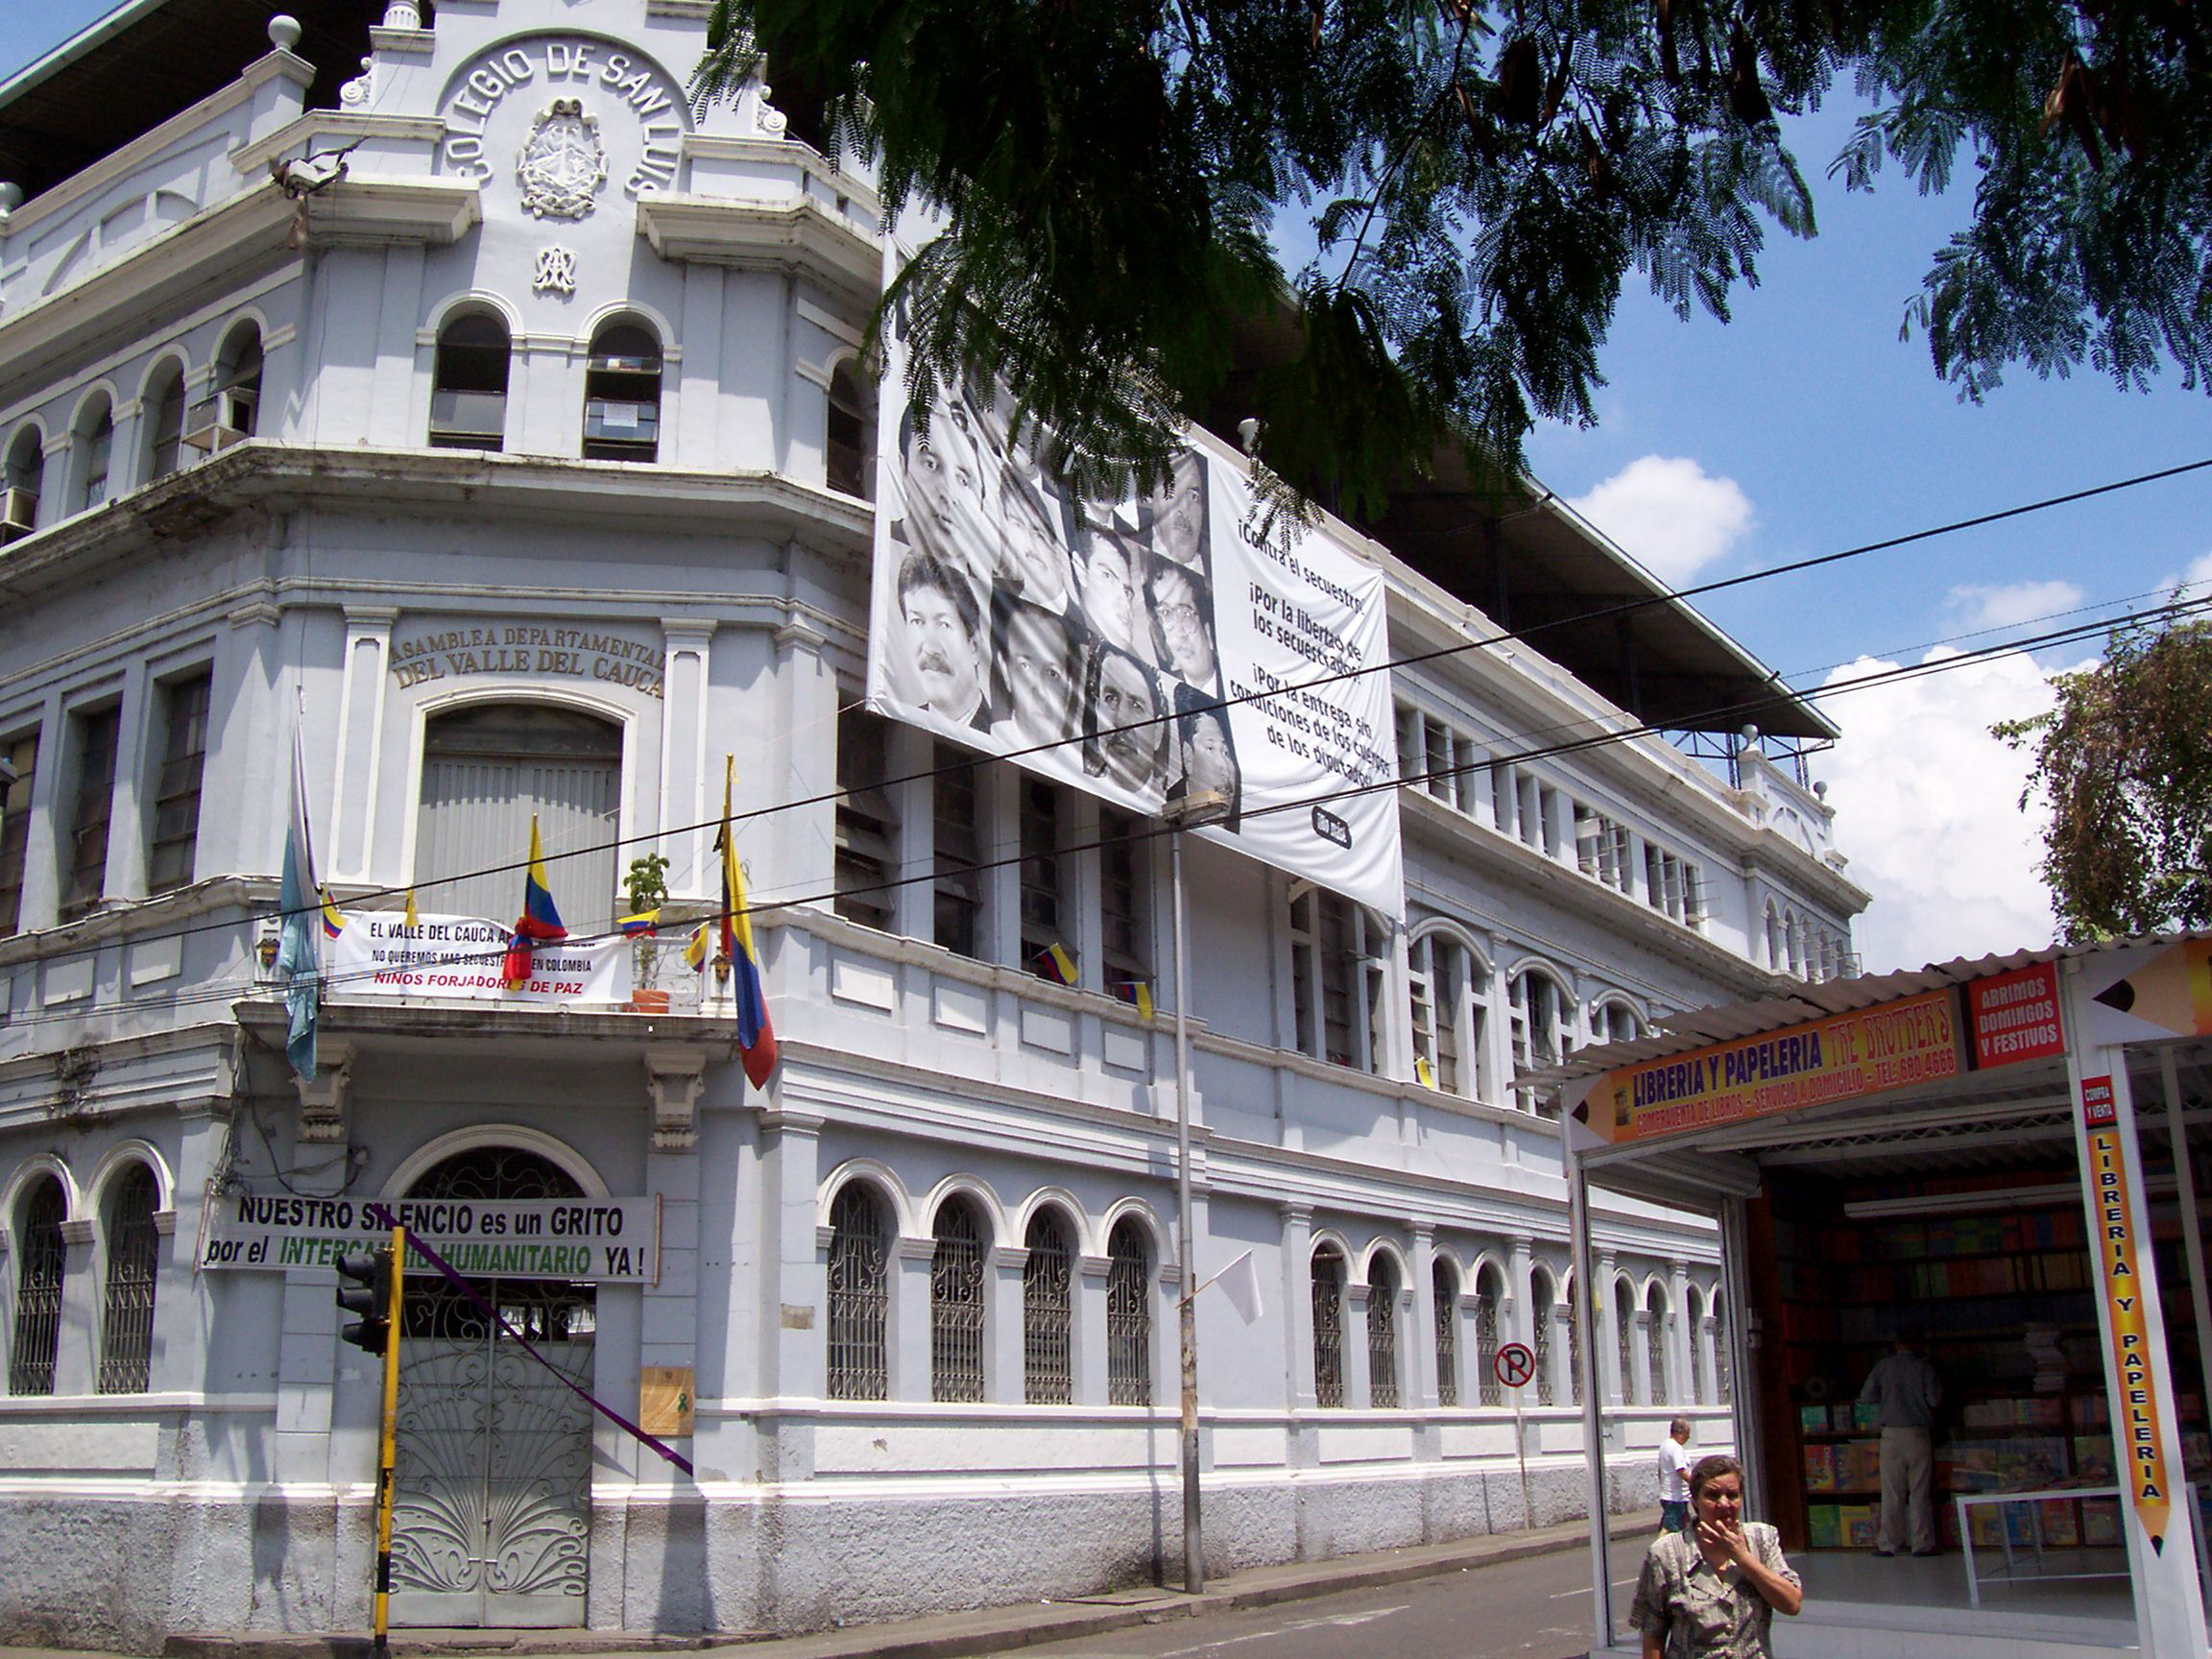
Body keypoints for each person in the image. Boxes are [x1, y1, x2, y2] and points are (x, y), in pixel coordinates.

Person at [1630, 1454, 1802, 1659]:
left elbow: (1791, 1604)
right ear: (1695, 1501)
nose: (1724, 1504)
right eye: (1712, 1496)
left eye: (1732, 1495)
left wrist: (1742, 1557)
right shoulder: (1666, 1553)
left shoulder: (1762, 1539)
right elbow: (1652, 1636)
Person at [1859, 1328, 1942, 1556]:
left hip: (1891, 1435)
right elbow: (1935, 1400)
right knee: (1919, 1491)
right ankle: (1921, 1543)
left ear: (1896, 1344)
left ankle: (1888, 1543)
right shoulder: (1924, 1368)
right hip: (1917, 1433)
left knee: (1892, 1492)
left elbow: (1866, 1397)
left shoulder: (1882, 1367)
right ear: (1918, 1344)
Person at [896, 547, 989, 731]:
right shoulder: (900, 729)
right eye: (917, 621)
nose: (930, 647)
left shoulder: (1004, 734)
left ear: (974, 646)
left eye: (944, 625)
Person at [990, 589, 1084, 749]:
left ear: (1068, 685)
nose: (1039, 691)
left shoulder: (1077, 761)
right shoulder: (992, 741)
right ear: (1006, 671)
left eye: (1053, 673)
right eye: (1025, 667)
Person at [1081, 641, 1167, 798]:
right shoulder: (1082, 787)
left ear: (1158, 731)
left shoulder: (1168, 801)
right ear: (1097, 706)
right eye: (1111, 698)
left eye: (1136, 706)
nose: (1121, 720)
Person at [1167, 687, 1241, 827]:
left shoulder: (1242, 822)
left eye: (1226, 753)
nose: (1224, 768)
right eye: (1210, 748)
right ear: (1188, 756)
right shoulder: (1168, 809)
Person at [1147, 556, 1218, 690]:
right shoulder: (1164, 690)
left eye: (1186, 613)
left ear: (1208, 631)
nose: (1180, 633)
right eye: (1166, 613)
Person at [1658, 1416, 1695, 1534]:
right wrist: (1696, 1482)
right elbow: (1681, 1471)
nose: (1688, 1437)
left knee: (1684, 1526)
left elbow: (1659, 1470)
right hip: (1675, 1497)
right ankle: (1656, 1550)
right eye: (1687, 1433)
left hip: (1669, 1495)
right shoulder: (1676, 1448)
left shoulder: (1664, 1445)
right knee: (1669, 1529)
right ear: (1680, 1432)